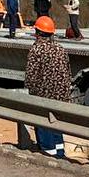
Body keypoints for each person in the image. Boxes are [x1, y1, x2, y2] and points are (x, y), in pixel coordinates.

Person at [24, 15, 71, 157]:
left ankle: (47, 153)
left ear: (38, 33)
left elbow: (31, 76)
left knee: (43, 124)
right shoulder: (60, 49)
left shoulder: (37, 50)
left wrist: (31, 92)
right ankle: (59, 152)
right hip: (61, 95)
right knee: (56, 124)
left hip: (43, 95)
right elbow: (68, 72)